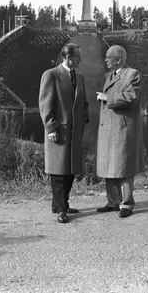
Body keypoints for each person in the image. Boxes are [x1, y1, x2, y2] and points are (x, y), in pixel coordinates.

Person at [39, 43, 89, 223]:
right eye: (77, 57)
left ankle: (60, 204)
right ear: (67, 57)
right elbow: (45, 104)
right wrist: (51, 127)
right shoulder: (51, 75)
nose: (80, 60)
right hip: (59, 131)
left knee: (71, 170)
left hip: (74, 132)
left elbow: (83, 103)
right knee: (58, 171)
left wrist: (84, 120)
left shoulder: (80, 78)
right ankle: (61, 209)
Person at [95, 45, 145, 218]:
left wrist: (107, 97)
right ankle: (113, 202)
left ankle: (126, 204)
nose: (105, 60)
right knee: (109, 167)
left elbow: (131, 97)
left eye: (108, 57)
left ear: (118, 60)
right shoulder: (107, 76)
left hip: (122, 130)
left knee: (124, 168)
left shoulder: (133, 74)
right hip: (108, 129)